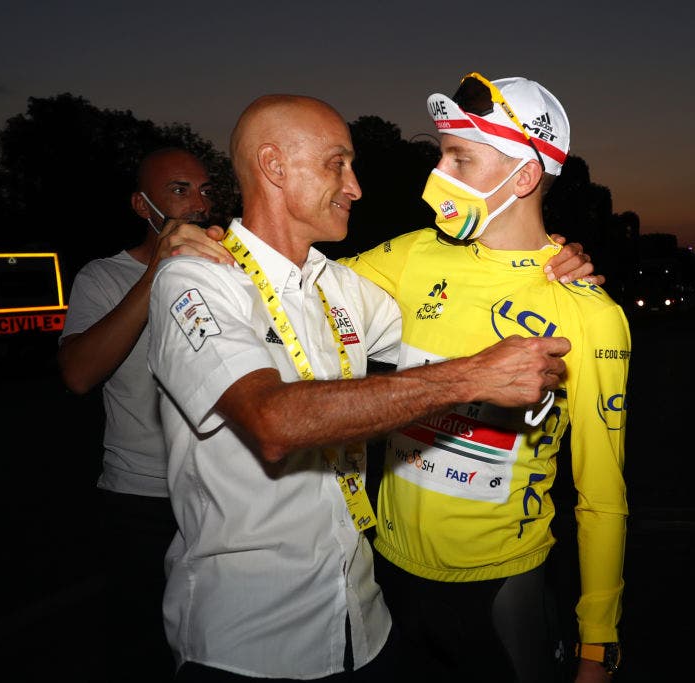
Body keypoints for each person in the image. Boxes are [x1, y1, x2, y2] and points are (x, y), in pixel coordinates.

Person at [146, 94, 575, 682]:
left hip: (366, 626)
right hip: (246, 644)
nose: (355, 187)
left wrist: (550, 267)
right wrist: (472, 376)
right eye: (336, 164)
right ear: (274, 167)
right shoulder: (196, 279)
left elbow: (459, 317)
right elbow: (273, 423)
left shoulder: (340, 286)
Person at [347, 73, 630, 683]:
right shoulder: (413, 255)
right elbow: (293, 290)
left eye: (460, 157)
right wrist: (217, 247)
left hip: (503, 589)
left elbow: (602, 497)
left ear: (524, 177)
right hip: (384, 575)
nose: (439, 174)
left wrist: (597, 645)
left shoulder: (589, 311)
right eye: (441, 154)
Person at [57, 147, 229, 682]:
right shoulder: (104, 277)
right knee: (142, 648)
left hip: (221, 495)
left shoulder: (229, 273)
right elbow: (78, 373)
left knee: (218, 646)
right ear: (141, 204)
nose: (198, 204)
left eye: (205, 190)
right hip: (142, 499)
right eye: (180, 190)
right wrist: (160, 269)